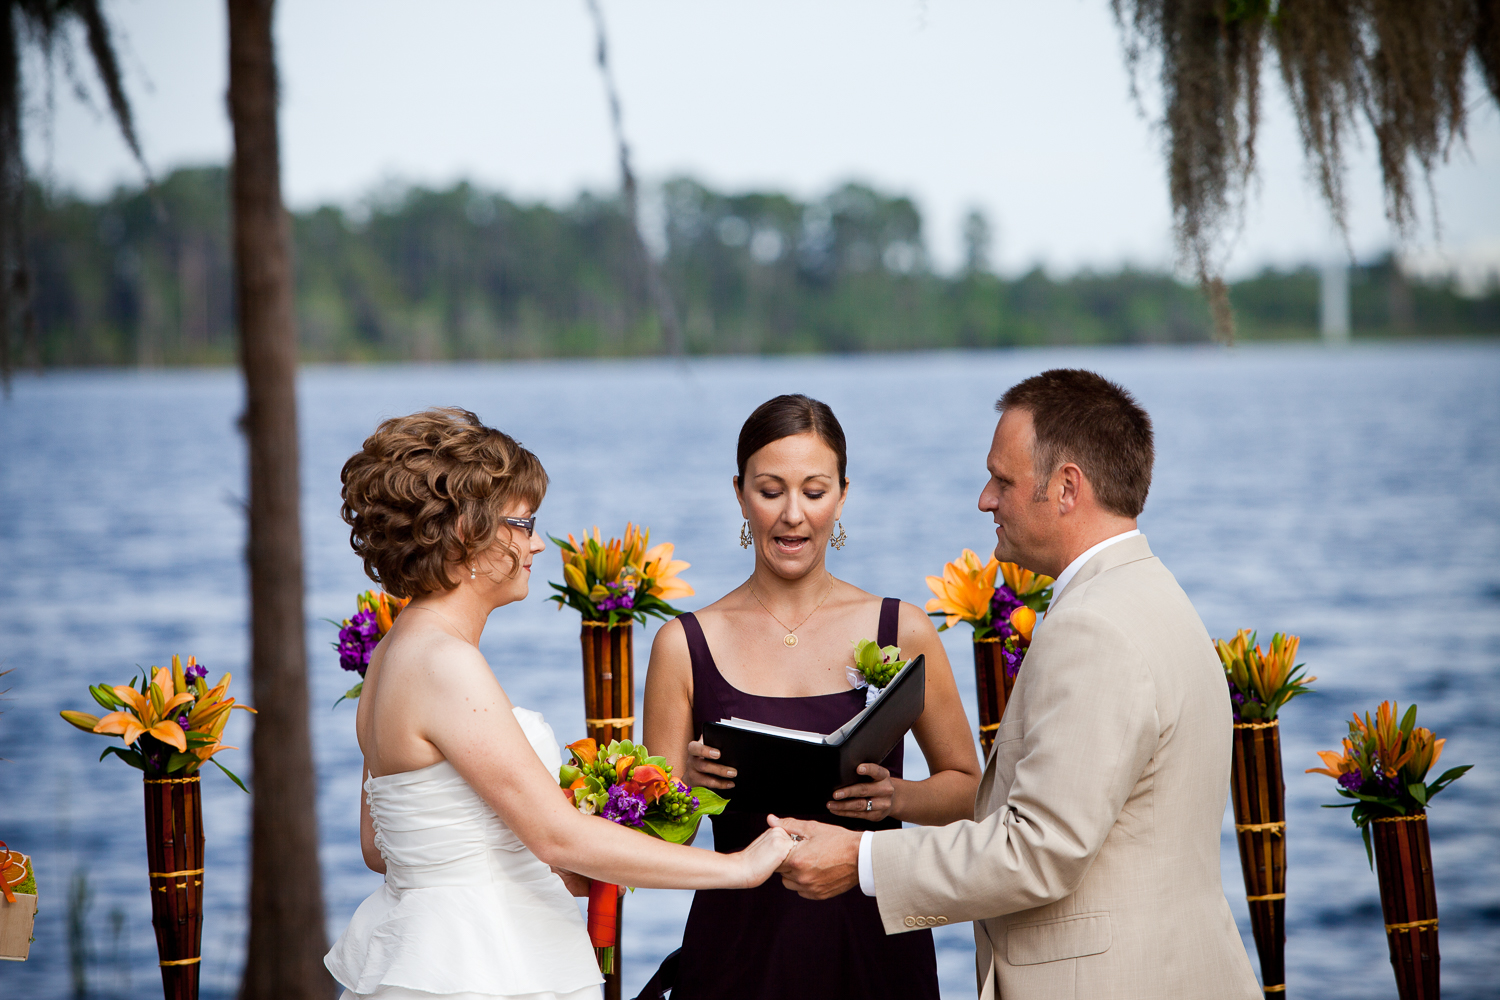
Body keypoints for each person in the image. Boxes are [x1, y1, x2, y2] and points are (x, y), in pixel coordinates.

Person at [773, 371, 1261, 1000]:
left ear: (1065, 487)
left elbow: (1040, 851)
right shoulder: (1155, 594)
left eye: (1002, 480)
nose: (985, 499)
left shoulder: (1092, 628)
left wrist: (860, 862)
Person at [324, 407, 795, 1000]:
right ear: (469, 533)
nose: (537, 544)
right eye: (523, 523)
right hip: (481, 966)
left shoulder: (390, 655)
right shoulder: (445, 663)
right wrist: (742, 869)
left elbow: (379, 846)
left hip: (426, 949)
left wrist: (528, 860)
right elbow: (558, 837)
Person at [640, 394, 981, 1000]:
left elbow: (967, 790)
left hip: (876, 948)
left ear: (843, 495)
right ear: (740, 493)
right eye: (770, 491)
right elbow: (660, 847)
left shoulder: (903, 629)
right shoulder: (682, 644)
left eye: (814, 492)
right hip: (738, 953)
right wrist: (686, 787)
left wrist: (895, 797)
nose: (792, 515)